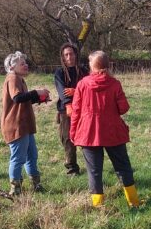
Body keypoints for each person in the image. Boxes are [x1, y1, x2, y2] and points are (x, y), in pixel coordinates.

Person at [69, 51, 141, 209]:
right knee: (123, 167)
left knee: (94, 170)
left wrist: (73, 132)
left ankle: (98, 205)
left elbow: (76, 111)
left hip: (88, 132)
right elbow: (123, 108)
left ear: (92, 66)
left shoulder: (82, 84)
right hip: (112, 131)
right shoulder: (115, 84)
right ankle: (133, 201)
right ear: (107, 65)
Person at [1, 51, 49, 195]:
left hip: (25, 125)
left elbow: (22, 100)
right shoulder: (12, 78)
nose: (26, 65)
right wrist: (37, 92)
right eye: (22, 63)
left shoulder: (19, 78)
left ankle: (36, 184)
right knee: (18, 158)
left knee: (32, 155)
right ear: (12, 66)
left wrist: (38, 98)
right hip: (16, 125)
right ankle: (15, 189)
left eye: (26, 63)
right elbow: (17, 98)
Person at [54, 42, 88, 175]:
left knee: (87, 137)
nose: (69, 57)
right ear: (63, 57)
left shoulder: (84, 71)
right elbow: (62, 91)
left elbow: (90, 88)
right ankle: (72, 168)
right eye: (66, 55)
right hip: (66, 110)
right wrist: (68, 105)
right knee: (68, 138)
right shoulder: (60, 72)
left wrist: (76, 91)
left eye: (71, 54)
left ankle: (92, 165)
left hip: (84, 108)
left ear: (76, 55)